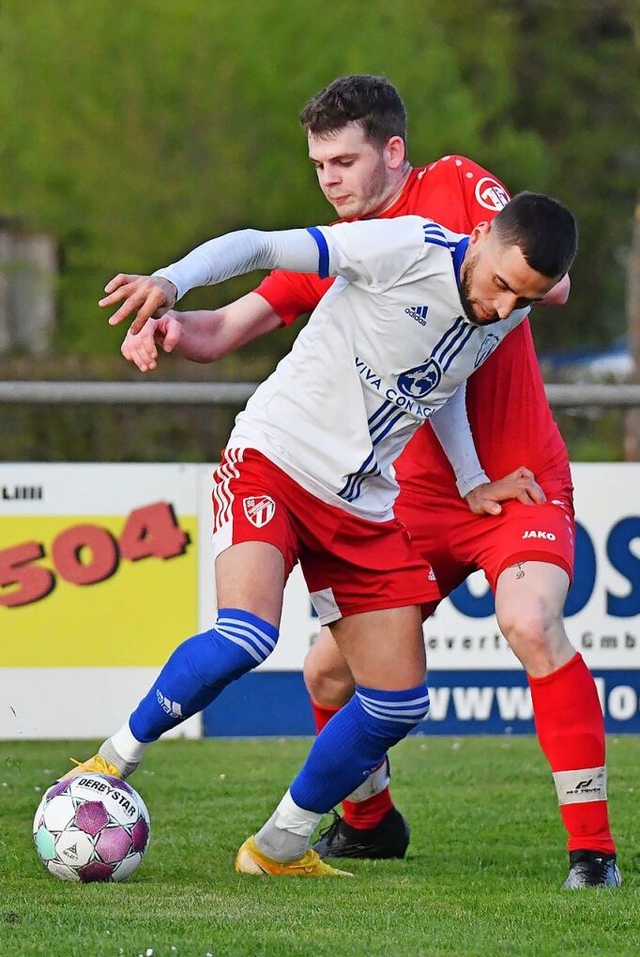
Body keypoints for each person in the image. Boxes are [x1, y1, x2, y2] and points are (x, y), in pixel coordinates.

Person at [113, 76, 619, 890]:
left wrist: (479, 466)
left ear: (393, 151)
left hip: (508, 480)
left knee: (528, 620)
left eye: (344, 161)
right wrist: (169, 320)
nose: (330, 179)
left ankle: (592, 854)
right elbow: (230, 324)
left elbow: (541, 275)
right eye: (318, 165)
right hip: (392, 490)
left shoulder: (455, 195)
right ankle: (365, 823)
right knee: (323, 672)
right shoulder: (354, 247)